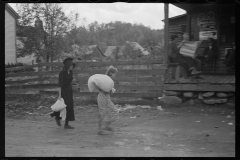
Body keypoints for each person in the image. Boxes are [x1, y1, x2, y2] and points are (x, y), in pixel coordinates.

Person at [50, 57, 76, 129]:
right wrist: (59, 95)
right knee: (64, 106)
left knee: (70, 106)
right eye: (71, 66)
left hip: (69, 90)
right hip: (63, 90)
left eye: (72, 66)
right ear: (68, 65)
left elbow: (70, 81)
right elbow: (60, 85)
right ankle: (57, 117)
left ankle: (66, 124)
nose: (72, 67)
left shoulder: (70, 72)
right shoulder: (62, 73)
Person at [94, 66, 119, 135]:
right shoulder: (106, 80)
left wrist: (111, 90)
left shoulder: (108, 80)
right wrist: (110, 90)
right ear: (111, 73)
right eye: (114, 74)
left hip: (106, 97)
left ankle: (106, 126)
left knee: (112, 111)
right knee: (104, 113)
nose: (115, 75)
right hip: (103, 97)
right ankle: (103, 128)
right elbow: (102, 89)